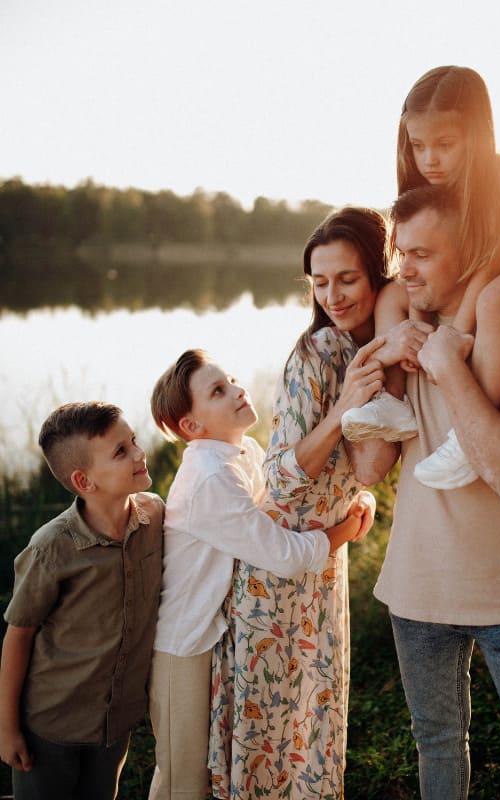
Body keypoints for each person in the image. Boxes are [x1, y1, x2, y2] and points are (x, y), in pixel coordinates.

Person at [353, 185, 500, 799]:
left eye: (423, 254)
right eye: (401, 252)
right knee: (437, 752)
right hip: (417, 591)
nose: (405, 270)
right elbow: (370, 467)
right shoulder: (404, 337)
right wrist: (374, 370)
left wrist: (449, 366)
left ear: (470, 253)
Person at [209, 207, 430, 799]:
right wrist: (342, 410)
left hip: (322, 565)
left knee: (313, 726)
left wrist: (356, 496)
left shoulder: (367, 343)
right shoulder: (317, 351)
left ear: (376, 274)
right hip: (274, 574)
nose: (332, 296)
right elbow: (280, 480)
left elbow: (365, 465)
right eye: (320, 282)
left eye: (347, 279)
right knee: (273, 736)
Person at [342, 65, 500, 491]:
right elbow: (421, 269)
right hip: (494, 267)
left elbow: (489, 265)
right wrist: (416, 331)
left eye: (445, 145)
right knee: (391, 295)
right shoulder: (428, 188)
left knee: (494, 302)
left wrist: (452, 336)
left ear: (475, 135)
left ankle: (468, 437)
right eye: (418, 146)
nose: (430, 159)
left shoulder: (498, 178)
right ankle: (392, 402)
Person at [146, 348, 376, 800]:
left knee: (211, 769)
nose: (237, 390)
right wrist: (346, 530)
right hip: (183, 645)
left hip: (218, 637)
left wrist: (350, 499)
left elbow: (283, 511)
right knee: (181, 779)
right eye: (218, 391)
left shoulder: (244, 452)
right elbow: (281, 552)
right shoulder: (209, 477)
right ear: (192, 425)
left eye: (231, 379)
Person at [0, 401, 164, 800]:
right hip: (52, 724)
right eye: (121, 451)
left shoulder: (155, 516)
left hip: (115, 724)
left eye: (134, 441)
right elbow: (19, 636)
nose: (139, 453)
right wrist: (7, 729)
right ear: (84, 481)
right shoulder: (51, 548)